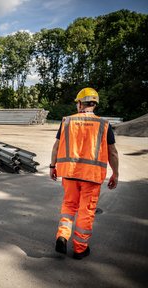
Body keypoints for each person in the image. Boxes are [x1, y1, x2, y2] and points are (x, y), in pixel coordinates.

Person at [49, 87, 119, 260]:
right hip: (92, 177)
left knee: (69, 206)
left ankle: (63, 236)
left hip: (70, 174)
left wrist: (52, 166)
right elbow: (113, 152)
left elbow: (56, 146)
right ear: (94, 104)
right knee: (85, 211)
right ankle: (80, 249)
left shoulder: (67, 121)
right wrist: (115, 173)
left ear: (80, 103)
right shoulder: (103, 124)